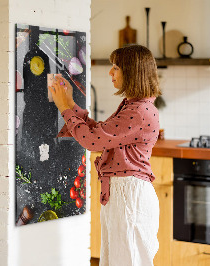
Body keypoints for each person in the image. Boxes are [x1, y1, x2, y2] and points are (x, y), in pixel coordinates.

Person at [48, 44, 161, 266]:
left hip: (129, 196)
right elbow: (100, 133)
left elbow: (92, 141)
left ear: (132, 72)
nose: (110, 72)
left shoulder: (138, 111)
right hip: (123, 194)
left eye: (116, 67)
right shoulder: (134, 106)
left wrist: (64, 108)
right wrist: (70, 104)